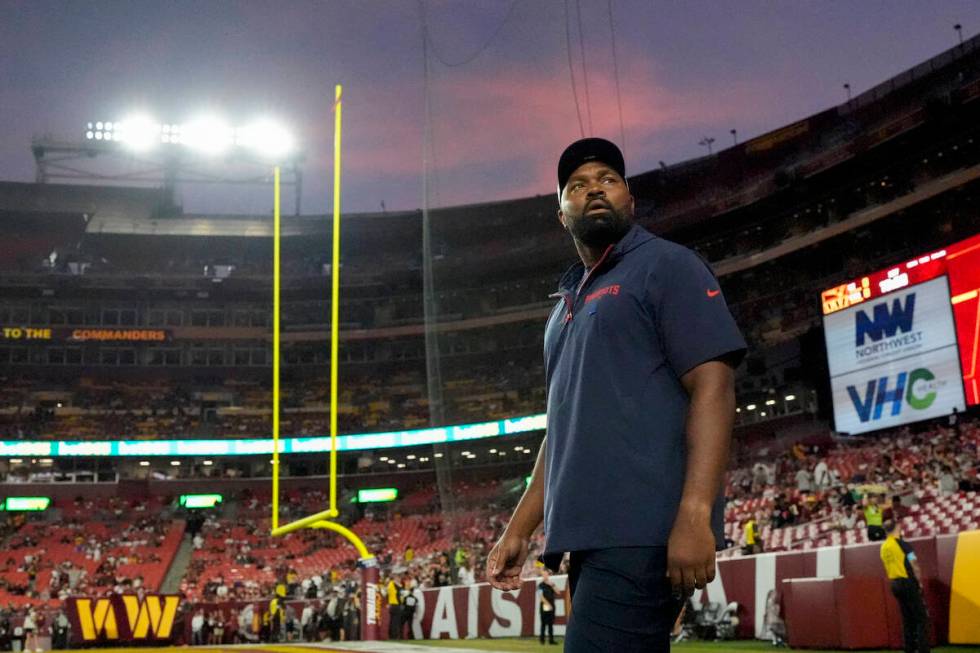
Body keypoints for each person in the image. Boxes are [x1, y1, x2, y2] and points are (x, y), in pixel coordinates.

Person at [485, 138, 746, 652]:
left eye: (607, 179)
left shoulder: (667, 265)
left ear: (631, 198)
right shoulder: (563, 308)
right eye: (577, 186)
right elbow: (560, 429)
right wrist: (520, 526)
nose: (593, 190)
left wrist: (695, 514)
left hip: (643, 527)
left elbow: (713, 385)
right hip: (590, 534)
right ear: (561, 214)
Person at [880, 521, 930, 653]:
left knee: (907, 618)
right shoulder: (903, 544)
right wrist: (919, 581)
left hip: (895, 583)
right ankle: (923, 649)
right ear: (897, 528)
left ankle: (909, 649)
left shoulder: (884, 547)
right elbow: (914, 563)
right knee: (921, 617)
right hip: (907, 582)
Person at [538, 569, 558, 645]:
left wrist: (552, 585)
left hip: (551, 607)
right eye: (544, 575)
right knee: (543, 624)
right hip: (544, 607)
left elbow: (558, 592)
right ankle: (542, 640)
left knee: (550, 624)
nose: (545, 576)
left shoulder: (551, 584)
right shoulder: (540, 585)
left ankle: (551, 640)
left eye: (546, 575)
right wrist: (548, 604)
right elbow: (540, 596)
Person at [385, 574, 402, 640]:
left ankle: (392, 635)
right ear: (395, 578)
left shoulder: (393, 585)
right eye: (398, 578)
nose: (399, 579)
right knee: (395, 622)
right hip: (395, 604)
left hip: (394, 605)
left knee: (392, 621)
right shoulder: (392, 584)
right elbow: (390, 593)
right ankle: (394, 636)